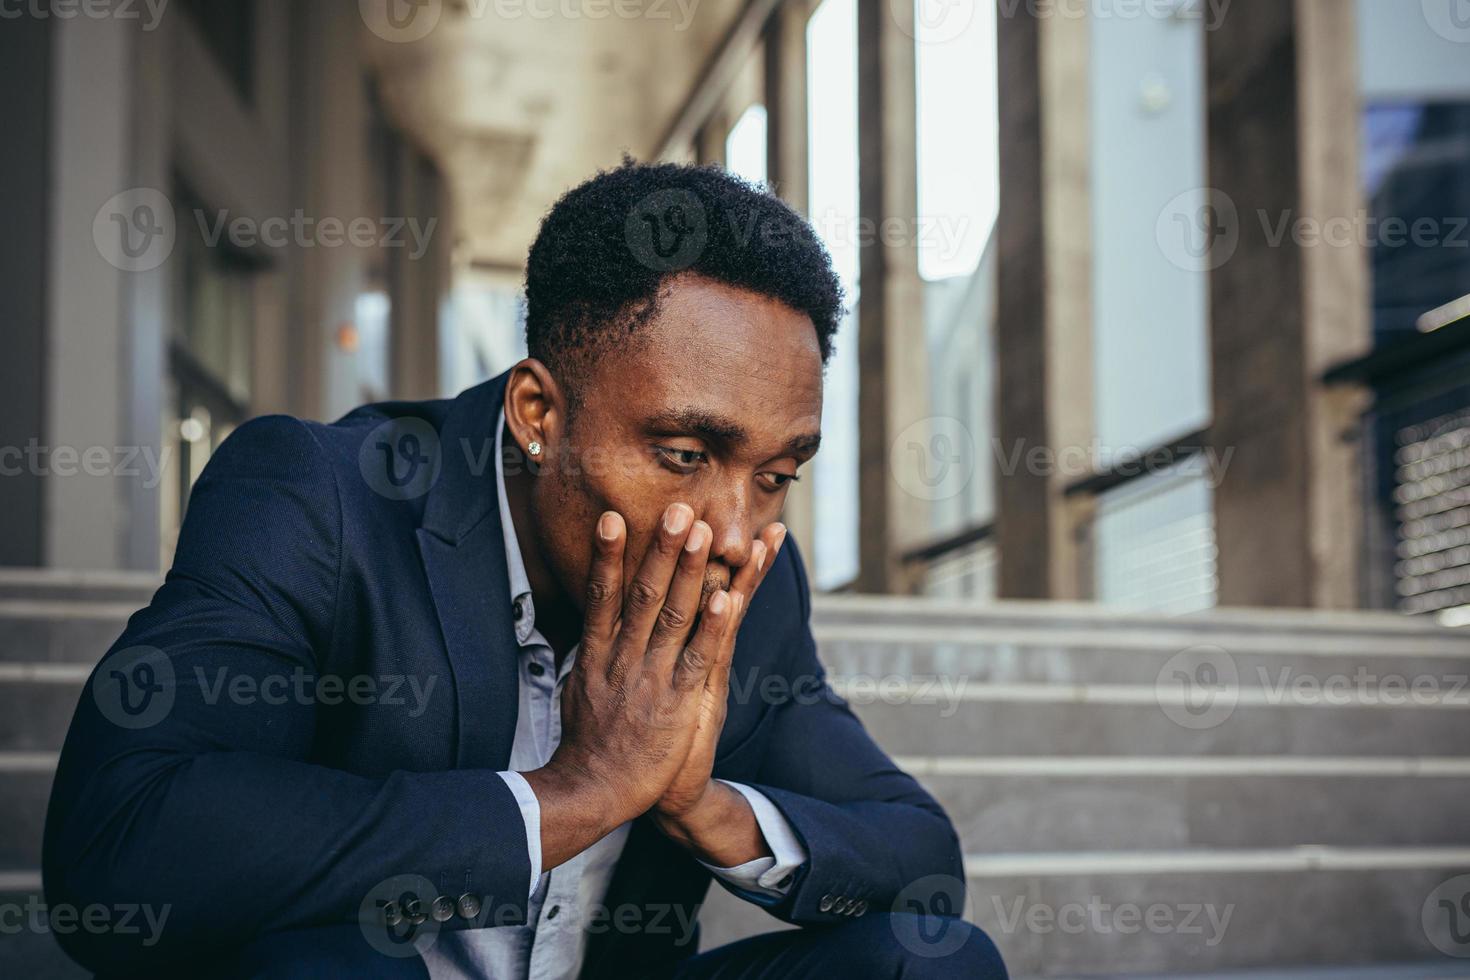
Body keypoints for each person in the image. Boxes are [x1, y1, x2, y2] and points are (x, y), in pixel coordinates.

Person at [44, 161, 1007, 979]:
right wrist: (574, 794)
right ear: (539, 414)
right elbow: (120, 839)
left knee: (934, 958)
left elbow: (918, 854)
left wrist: (703, 807)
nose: (729, 527)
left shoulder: (750, 580)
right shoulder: (324, 497)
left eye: (777, 474)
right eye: (682, 454)